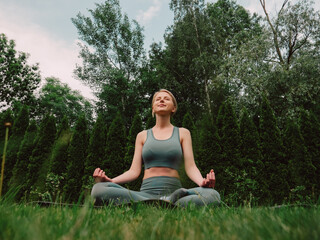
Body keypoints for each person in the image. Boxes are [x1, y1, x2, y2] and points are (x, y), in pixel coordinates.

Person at [91, 89, 220, 207]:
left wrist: (202, 182)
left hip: (175, 192)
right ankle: (161, 203)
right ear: (153, 108)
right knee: (98, 189)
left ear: (173, 108)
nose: (162, 100)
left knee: (212, 195)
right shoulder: (142, 136)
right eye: (158, 99)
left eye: (166, 98)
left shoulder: (183, 133)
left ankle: (157, 202)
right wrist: (111, 181)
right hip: (144, 194)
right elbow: (134, 171)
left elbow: (191, 167)